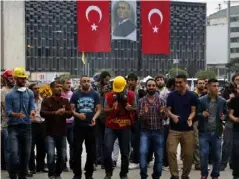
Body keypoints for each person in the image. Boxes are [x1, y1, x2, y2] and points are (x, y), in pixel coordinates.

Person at [5, 67, 36, 179]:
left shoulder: (30, 93)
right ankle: (13, 174)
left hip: (27, 127)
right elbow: (8, 111)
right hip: (13, 127)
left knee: (26, 154)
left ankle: (22, 175)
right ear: (15, 79)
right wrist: (15, 114)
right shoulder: (9, 95)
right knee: (13, 153)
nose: (24, 80)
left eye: (25, 78)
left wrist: (32, 111)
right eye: (21, 78)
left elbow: (32, 105)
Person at [103, 76, 136, 179]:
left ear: (125, 86)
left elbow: (135, 108)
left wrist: (130, 109)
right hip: (111, 126)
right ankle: (108, 172)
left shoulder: (131, 95)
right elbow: (105, 110)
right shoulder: (108, 95)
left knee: (125, 152)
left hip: (125, 126)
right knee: (107, 150)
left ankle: (124, 174)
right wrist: (112, 108)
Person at [167, 74, 198, 179]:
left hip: (188, 130)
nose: (178, 84)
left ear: (186, 83)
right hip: (174, 130)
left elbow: (193, 111)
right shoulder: (171, 95)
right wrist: (172, 115)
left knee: (188, 155)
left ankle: (185, 175)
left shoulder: (193, 96)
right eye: (176, 82)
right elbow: (168, 110)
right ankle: (174, 175)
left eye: (180, 82)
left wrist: (190, 117)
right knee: (171, 151)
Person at [40, 81, 72, 179]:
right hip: (50, 132)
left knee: (62, 156)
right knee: (50, 155)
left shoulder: (65, 101)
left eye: (60, 87)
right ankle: (51, 174)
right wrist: (55, 113)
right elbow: (42, 113)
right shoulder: (46, 100)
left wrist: (65, 112)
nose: (59, 88)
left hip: (62, 132)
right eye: (57, 86)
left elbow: (70, 113)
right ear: (52, 88)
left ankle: (57, 173)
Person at [70, 75, 101, 179]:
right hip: (78, 127)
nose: (86, 83)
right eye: (84, 81)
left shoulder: (95, 94)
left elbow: (99, 110)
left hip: (91, 127)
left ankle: (89, 174)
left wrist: (94, 118)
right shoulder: (75, 94)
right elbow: (71, 110)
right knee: (77, 151)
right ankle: (77, 174)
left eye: (88, 81)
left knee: (91, 151)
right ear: (80, 83)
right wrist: (78, 115)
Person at [197, 79, 228, 179]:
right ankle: (204, 174)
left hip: (217, 132)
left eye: (217, 86)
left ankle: (215, 175)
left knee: (217, 156)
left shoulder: (222, 101)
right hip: (204, 132)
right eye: (214, 86)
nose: (216, 88)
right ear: (209, 87)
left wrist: (225, 117)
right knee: (203, 154)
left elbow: (226, 113)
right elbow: (195, 114)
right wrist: (202, 114)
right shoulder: (201, 100)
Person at [138, 79, 166, 179]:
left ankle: (156, 176)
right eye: (149, 85)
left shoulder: (161, 101)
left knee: (159, 156)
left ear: (156, 87)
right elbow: (140, 119)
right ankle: (143, 176)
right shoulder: (141, 101)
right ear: (146, 87)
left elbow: (165, 118)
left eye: (153, 85)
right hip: (145, 131)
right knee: (143, 153)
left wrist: (162, 112)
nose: (151, 87)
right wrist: (144, 113)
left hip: (159, 131)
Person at [220, 74, 239, 171]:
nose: (238, 81)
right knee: (227, 142)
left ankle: (233, 163)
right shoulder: (227, 90)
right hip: (230, 118)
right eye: (236, 80)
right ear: (233, 80)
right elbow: (222, 103)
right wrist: (230, 99)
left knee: (236, 144)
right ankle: (223, 163)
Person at [29, 84, 47, 173]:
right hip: (32, 125)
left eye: (38, 88)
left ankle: (41, 166)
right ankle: (31, 167)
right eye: (35, 89)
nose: (37, 90)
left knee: (42, 147)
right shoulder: (28, 100)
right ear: (31, 90)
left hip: (42, 124)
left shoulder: (42, 100)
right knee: (31, 147)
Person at [1, 69, 15, 172]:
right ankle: (9, 168)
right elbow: (4, 107)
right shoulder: (2, 91)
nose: (12, 79)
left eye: (13, 77)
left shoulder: (17, 90)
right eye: (10, 77)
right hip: (7, 123)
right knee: (8, 148)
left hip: (19, 122)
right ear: (5, 78)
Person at [60, 77, 74, 170]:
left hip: (72, 123)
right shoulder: (59, 95)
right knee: (62, 146)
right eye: (67, 83)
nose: (69, 85)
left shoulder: (73, 94)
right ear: (62, 84)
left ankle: (73, 163)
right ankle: (63, 164)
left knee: (73, 144)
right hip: (61, 123)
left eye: (70, 83)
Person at [193, 78, 206, 170]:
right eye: (200, 83)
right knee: (196, 143)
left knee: (204, 143)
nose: (201, 84)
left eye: (203, 83)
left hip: (205, 121)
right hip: (195, 121)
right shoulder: (193, 95)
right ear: (196, 84)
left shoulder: (207, 95)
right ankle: (198, 163)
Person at [228, 84, 239, 179]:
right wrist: (235, 119)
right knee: (236, 151)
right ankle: (236, 174)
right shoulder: (234, 100)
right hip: (237, 130)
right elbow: (230, 114)